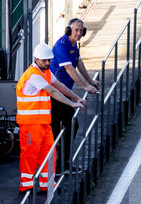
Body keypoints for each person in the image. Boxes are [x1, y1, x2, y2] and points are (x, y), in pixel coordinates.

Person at [16, 43, 85, 192]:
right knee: (30, 154)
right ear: (36, 59)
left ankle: (47, 185)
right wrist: (71, 104)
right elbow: (53, 92)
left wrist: (77, 98)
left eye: (49, 60)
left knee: (49, 153)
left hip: (43, 123)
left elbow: (59, 85)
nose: (47, 63)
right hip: (30, 124)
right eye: (44, 61)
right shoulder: (33, 74)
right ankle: (26, 186)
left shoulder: (45, 73)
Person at [51, 18, 99, 171]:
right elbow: (70, 69)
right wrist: (85, 86)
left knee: (71, 125)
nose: (79, 33)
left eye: (81, 31)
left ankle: (62, 165)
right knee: (55, 131)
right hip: (55, 94)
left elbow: (78, 62)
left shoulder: (73, 46)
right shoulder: (61, 46)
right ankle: (55, 168)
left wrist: (89, 80)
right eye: (76, 30)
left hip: (64, 93)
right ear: (68, 30)